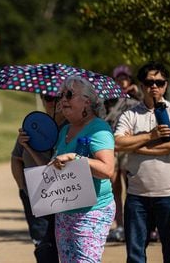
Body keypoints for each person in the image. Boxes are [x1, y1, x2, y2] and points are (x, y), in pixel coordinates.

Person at [114, 61, 170, 262]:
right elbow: (117, 143)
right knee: (135, 255)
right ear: (142, 84)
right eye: (149, 82)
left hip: (169, 194)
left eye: (159, 82)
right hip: (137, 195)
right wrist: (150, 135)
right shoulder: (130, 114)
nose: (154, 86)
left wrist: (136, 146)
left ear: (166, 85)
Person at [49, 76, 115, 262]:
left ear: (87, 100)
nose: (63, 100)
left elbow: (107, 170)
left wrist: (75, 158)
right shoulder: (64, 130)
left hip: (93, 210)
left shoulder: (99, 129)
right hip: (65, 212)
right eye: (61, 95)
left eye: (69, 95)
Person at [10, 94, 66, 263]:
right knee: (43, 247)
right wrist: (23, 189)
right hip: (35, 196)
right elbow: (16, 158)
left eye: (58, 97)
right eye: (47, 97)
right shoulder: (33, 125)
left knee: (65, 246)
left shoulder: (72, 129)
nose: (52, 101)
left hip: (65, 197)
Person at [104, 64, 141, 242]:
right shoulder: (108, 99)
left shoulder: (136, 99)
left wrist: (137, 94)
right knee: (115, 187)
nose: (122, 81)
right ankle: (119, 226)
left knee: (131, 186)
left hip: (128, 146)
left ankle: (134, 225)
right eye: (119, 78)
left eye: (125, 78)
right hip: (111, 146)